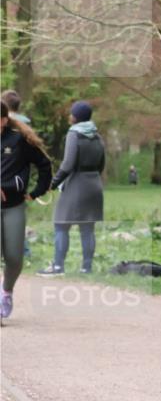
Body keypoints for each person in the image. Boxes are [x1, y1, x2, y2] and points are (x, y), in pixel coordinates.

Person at [37, 100, 105, 276]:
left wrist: (51, 183)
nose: (69, 116)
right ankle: (86, 268)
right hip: (95, 185)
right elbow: (102, 164)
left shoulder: (74, 135)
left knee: (61, 224)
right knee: (87, 228)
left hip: (77, 185)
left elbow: (67, 164)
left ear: (76, 117)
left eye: (71, 113)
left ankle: (58, 267)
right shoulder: (98, 136)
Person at [1, 101, 52, 320]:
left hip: (13, 206)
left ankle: (6, 292)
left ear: (3, 121)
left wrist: (36, 192)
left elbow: (44, 165)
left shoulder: (19, 139)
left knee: (14, 257)